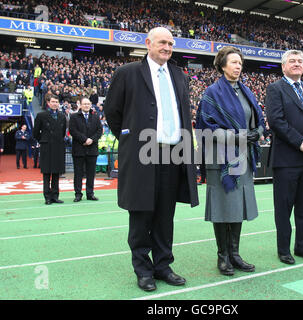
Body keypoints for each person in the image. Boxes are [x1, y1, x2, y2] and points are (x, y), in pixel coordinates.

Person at [104, 27, 199, 292]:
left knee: (165, 214)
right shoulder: (128, 73)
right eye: (162, 42)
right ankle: (143, 269)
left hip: (172, 153)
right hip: (143, 152)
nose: (167, 47)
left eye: (170, 43)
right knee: (141, 213)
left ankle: (163, 265)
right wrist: (131, 139)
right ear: (148, 43)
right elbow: (112, 112)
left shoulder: (179, 75)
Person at [196, 46, 265, 276]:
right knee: (223, 206)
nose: (238, 66)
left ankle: (235, 254)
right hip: (220, 158)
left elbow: (257, 118)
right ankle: (222, 256)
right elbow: (207, 127)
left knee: (238, 205)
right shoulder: (211, 93)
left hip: (243, 155)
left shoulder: (246, 91)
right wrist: (241, 136)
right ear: (222, 65)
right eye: (233, 62)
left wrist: (259, 131)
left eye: (240, 63)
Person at [265, 49, 303, 265]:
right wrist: (302, 145)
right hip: (287, 159)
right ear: (283, 66)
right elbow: (276, 121)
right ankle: (284, 250)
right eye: (292, 61)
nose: (297, 64)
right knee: (284, 208)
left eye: (300, 61)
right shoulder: (276, 89)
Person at [33, 94, 67, 205]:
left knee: (56, 173)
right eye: (52, 102)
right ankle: (47, 196)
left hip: (58, 147)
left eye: (56, 102)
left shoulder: (62, 116)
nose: (55, 104)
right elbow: (35, 133)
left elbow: (62, 133)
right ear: (48, 103)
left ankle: (55, 196)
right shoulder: (41, 115)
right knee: (47, 173)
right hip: (46, 147)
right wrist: (44, 140)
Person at [69, 97, 103, 202]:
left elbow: (99, 131)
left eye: (88, 104)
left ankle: (90, 193)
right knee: (78, 173)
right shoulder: (74, 117)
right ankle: (78, 194)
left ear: (91, 105)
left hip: (92, 150)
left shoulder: (95, 117)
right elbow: (73, 131)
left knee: (91, 173)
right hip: (79, 149)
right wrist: (85, 139)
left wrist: (91, 140)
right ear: (80, 105)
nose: (86, 105)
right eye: (84, 104)